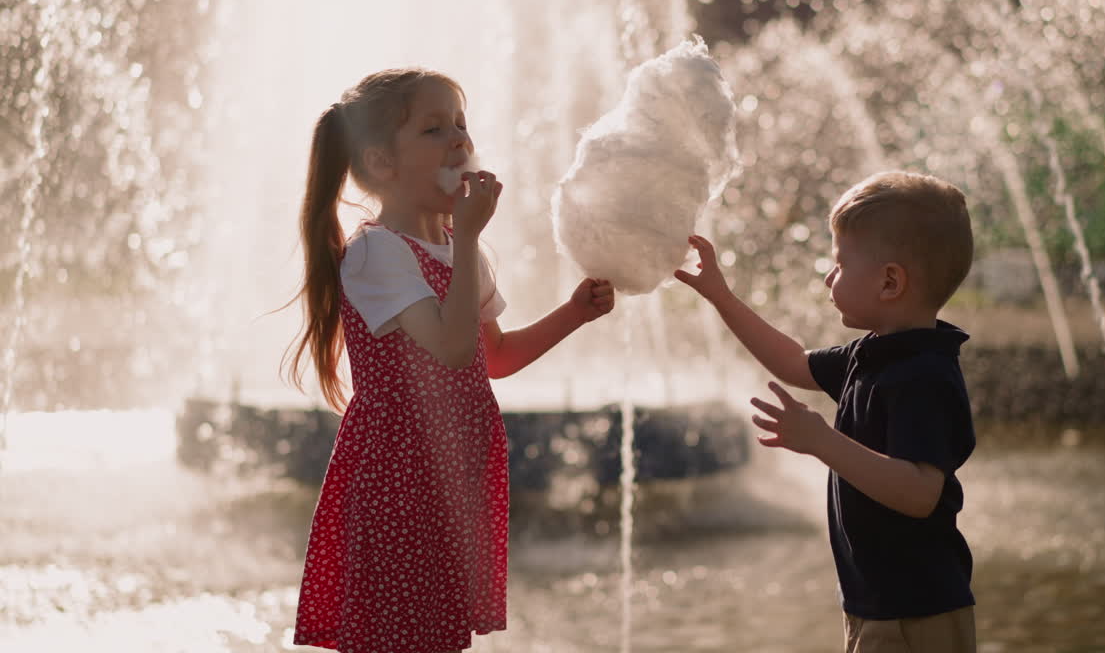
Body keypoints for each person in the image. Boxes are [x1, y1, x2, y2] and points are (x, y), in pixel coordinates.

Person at [283, 67, 615, 653]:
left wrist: (573, 312)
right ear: (383, 164)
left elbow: (496, 357)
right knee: (395, 635)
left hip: (451, 474)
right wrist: (463, 241)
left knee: (437, 636)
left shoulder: (464, 251)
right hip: (396, 479)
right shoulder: (376, 252)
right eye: (435, 130)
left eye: (462, 125)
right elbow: (450, 344)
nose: (460, 140)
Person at [675, 170, 977, 653]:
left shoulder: (925, 376)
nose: (828, 276)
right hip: (874, 602)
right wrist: (721, 296)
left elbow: (920, 493)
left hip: (917, 612)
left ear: (890, 281)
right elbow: (791, 362)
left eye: (840, 263)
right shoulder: (871, 355)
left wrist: (821, 441)